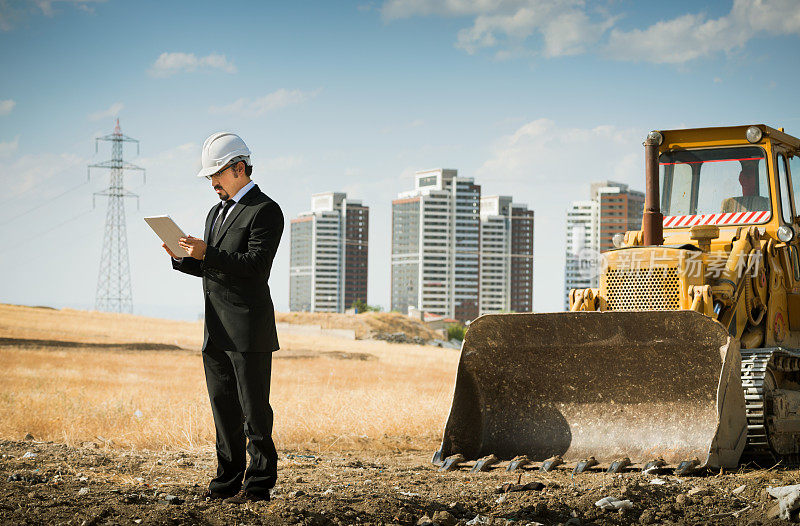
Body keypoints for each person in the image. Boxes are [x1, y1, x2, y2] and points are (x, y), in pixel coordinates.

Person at [162, 132, 284, 504]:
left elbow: (256, 266)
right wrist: (184, 258)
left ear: (239, 168)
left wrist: (206, 254)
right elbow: (215, 269)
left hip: (248, 331)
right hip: (215, 331)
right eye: (210, 177)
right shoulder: (215, 213)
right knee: (224, 411)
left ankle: (259, 486)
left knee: (254, 413)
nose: (212, 183)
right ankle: (226, 482)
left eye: (217, 174)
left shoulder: (265, 210)